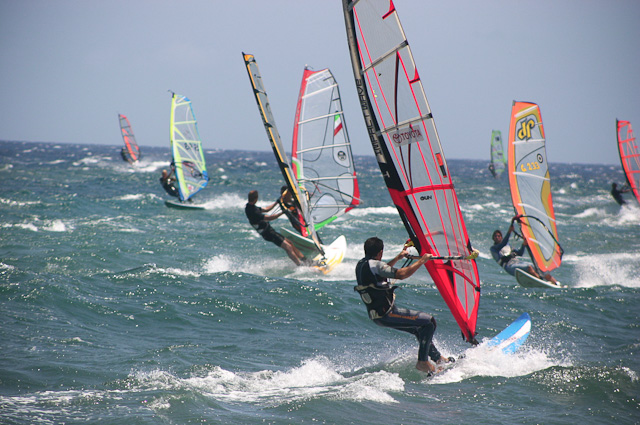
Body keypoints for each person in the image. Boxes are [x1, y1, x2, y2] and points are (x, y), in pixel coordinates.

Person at [354, 237, 453, 374]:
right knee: (429, 322)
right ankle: (422, 362)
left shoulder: (362, 265)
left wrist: (398, 258)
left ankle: (438, 359)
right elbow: (401, 274)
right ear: (380, 252)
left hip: (377, 316)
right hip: (387, 314)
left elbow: (381, 270)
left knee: (419, 329)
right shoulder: (375, 265)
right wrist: (422, 261)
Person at [245, 189, 313, 267]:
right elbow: (269, 218)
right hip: (267, 234)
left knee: (290, 243)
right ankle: (300, 265)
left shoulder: (250, 206)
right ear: (256, 198)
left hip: (270, 231)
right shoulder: (252, 211)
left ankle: (305, 260)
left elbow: (266, 209)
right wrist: (282, 212)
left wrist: (277, 202)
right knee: (288, 247)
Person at [490, 215, 558, 285]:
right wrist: (509, 232)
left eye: (499, 236)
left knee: (539, 267)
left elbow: (520, 253)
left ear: (501, 237)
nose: (497, 237)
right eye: (495, 236)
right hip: (509, 267)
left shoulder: (508, 246)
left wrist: (523, 245)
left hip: (517, 262)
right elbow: (503, 243)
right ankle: (541, 281)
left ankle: (556, 283)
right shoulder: (494, 249)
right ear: (493, 238)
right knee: (529, 267)